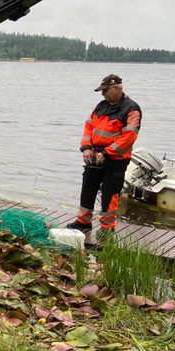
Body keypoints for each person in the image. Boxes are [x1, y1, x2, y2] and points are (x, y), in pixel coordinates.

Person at [67, 74, 142, 239]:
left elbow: (129, 136)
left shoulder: (132, 109)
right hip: (94, 155)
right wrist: (86, 148)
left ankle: (107, 228)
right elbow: (88, 126)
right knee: (88, 188)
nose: (103, 94)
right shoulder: (100, 106)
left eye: (105, 91)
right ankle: (83, 221)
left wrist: (107, 153)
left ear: (117, 88)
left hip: (116, 160)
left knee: (110, 194)